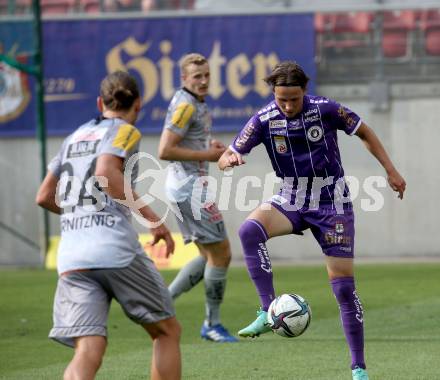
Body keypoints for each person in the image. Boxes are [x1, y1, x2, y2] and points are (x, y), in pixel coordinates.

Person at [218, 61, 406, 380]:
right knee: (250, 230)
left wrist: (390, 169)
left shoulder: (326, 109)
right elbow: (226, 154)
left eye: (294, 98)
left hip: (331, 201)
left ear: (305, 90)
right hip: (292, 196)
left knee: (344, 290)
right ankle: (267, 310)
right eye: (282, 100)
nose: (288, 106)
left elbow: (364, 131)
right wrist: (229, 159)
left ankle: (358, 367)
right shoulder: (263, 119)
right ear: (274, 95)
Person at [36, 71, 181, 380]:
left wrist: (79, 214)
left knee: (89, 347)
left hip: (72, 255)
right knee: (166, 330)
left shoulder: (73, 136)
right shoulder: (125, 130)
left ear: (100, 102)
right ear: (138, 104)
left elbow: (44, 196)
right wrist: (154, 221)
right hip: (114, 250)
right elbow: (107, 172)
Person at [158, 53, 237, 342]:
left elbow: (188, 142)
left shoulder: (195, 103)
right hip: (189, 188)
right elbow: (165, 150)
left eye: (206, 76)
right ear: (184, 79)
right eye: (197, 77)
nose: (203, 81)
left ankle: (161, 303)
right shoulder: (185, 106)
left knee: (207, 255)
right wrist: (210, 154)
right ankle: (212, 325)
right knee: (223, 254)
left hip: (188, 186)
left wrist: (207, 145)